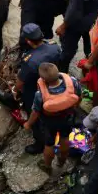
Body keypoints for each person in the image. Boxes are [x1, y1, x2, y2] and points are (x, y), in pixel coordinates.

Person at [23, 63, 81, 173]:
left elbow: (35, 112)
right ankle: (61, 162)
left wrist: (28, 124)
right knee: (65, 138)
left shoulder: (40, 95)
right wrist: (74, 108)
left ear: (43, 79)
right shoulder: (72, 82)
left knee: (49, 143)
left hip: (50, 123)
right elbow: (79, 97)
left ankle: (47, 166)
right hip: (67, 118)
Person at [16, 23, 62, 154]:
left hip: (35, 90)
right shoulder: (54, 47)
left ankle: (39, 143)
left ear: (28, 41)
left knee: (36, 116)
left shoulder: (30, 60)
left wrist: (15, 90)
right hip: (54, 83)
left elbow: (20, 82)